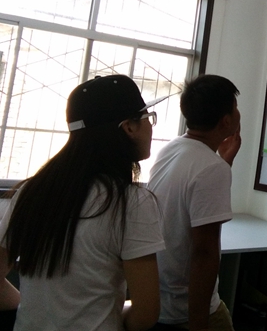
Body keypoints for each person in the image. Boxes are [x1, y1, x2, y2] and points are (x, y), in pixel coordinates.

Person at [0, 74, 166, 330]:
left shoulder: (30, 192)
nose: (150, 126)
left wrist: (29, 308)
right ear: (129, 128)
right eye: (147, 117)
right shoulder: (131, 203)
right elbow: (146, 313)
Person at [147, 74, 241, 331]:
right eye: (235, 108)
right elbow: (204, 252)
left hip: (159, 303)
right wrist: (199, 323)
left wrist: (224, 161)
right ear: (226, 121)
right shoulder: (211, 168)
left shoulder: (172, 149)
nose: (238, 113)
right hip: (187, 312)